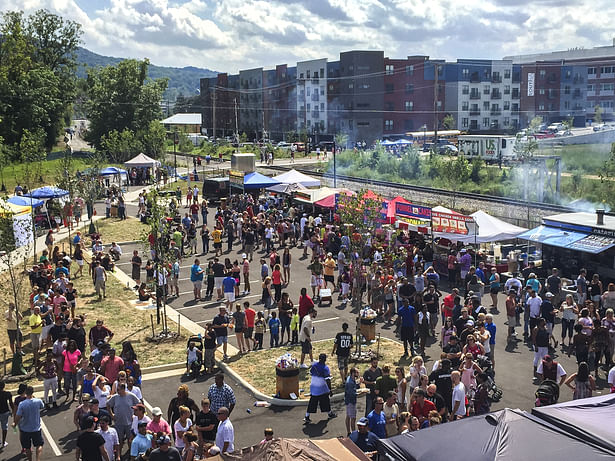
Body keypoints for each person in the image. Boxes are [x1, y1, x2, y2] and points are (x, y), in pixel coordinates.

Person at [106, 383, 140, 455]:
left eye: (118, 390)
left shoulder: (131, 396)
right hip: (118, 423)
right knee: (119, 440)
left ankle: (131, 454)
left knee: (130, 440)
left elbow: (139, 403)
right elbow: (108, 405)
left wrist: (135, 414)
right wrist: (111, 415)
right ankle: (119, 455)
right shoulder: (115, 397)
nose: (117, 391)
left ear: (123, 389)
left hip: (129, 423)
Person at [14, 386, 45, 461]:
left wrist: (15, 423)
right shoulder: (38, 401)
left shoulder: (22, 404)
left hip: (25, 429)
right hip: (36, 428)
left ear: (25, 393)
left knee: (27, 447)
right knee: (39, 445)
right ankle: (38, 459)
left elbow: (18, 416)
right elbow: (42, 406)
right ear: (33, 392)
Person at [304, 353, 336, 423]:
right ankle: (330, 413)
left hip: (313, 388)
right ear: (325, 359)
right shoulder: (325, 368)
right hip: (322, 389)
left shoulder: (314, 366)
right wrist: (330, 390)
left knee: (312, 402)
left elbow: (311, 373)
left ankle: (307, 416)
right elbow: (328, 380)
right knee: (325, 401)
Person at [344, 367, 362, 435]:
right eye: (357, 372)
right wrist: (361, 393)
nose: (358, 373)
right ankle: (354, 433)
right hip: (351, 401)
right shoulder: (350, 382)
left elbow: (355, 387)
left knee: (348, 416)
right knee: (353, 418)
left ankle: (349, 432)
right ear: (353, 373)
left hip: (348, 401)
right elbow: (353, 394)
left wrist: (359, 382)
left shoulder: (351, 379)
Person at [0, 381, 14, 449]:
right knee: (4, 427)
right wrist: (13, 411)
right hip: (5, 412)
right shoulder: (7, 394)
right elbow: (11, 403)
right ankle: (3, 442)